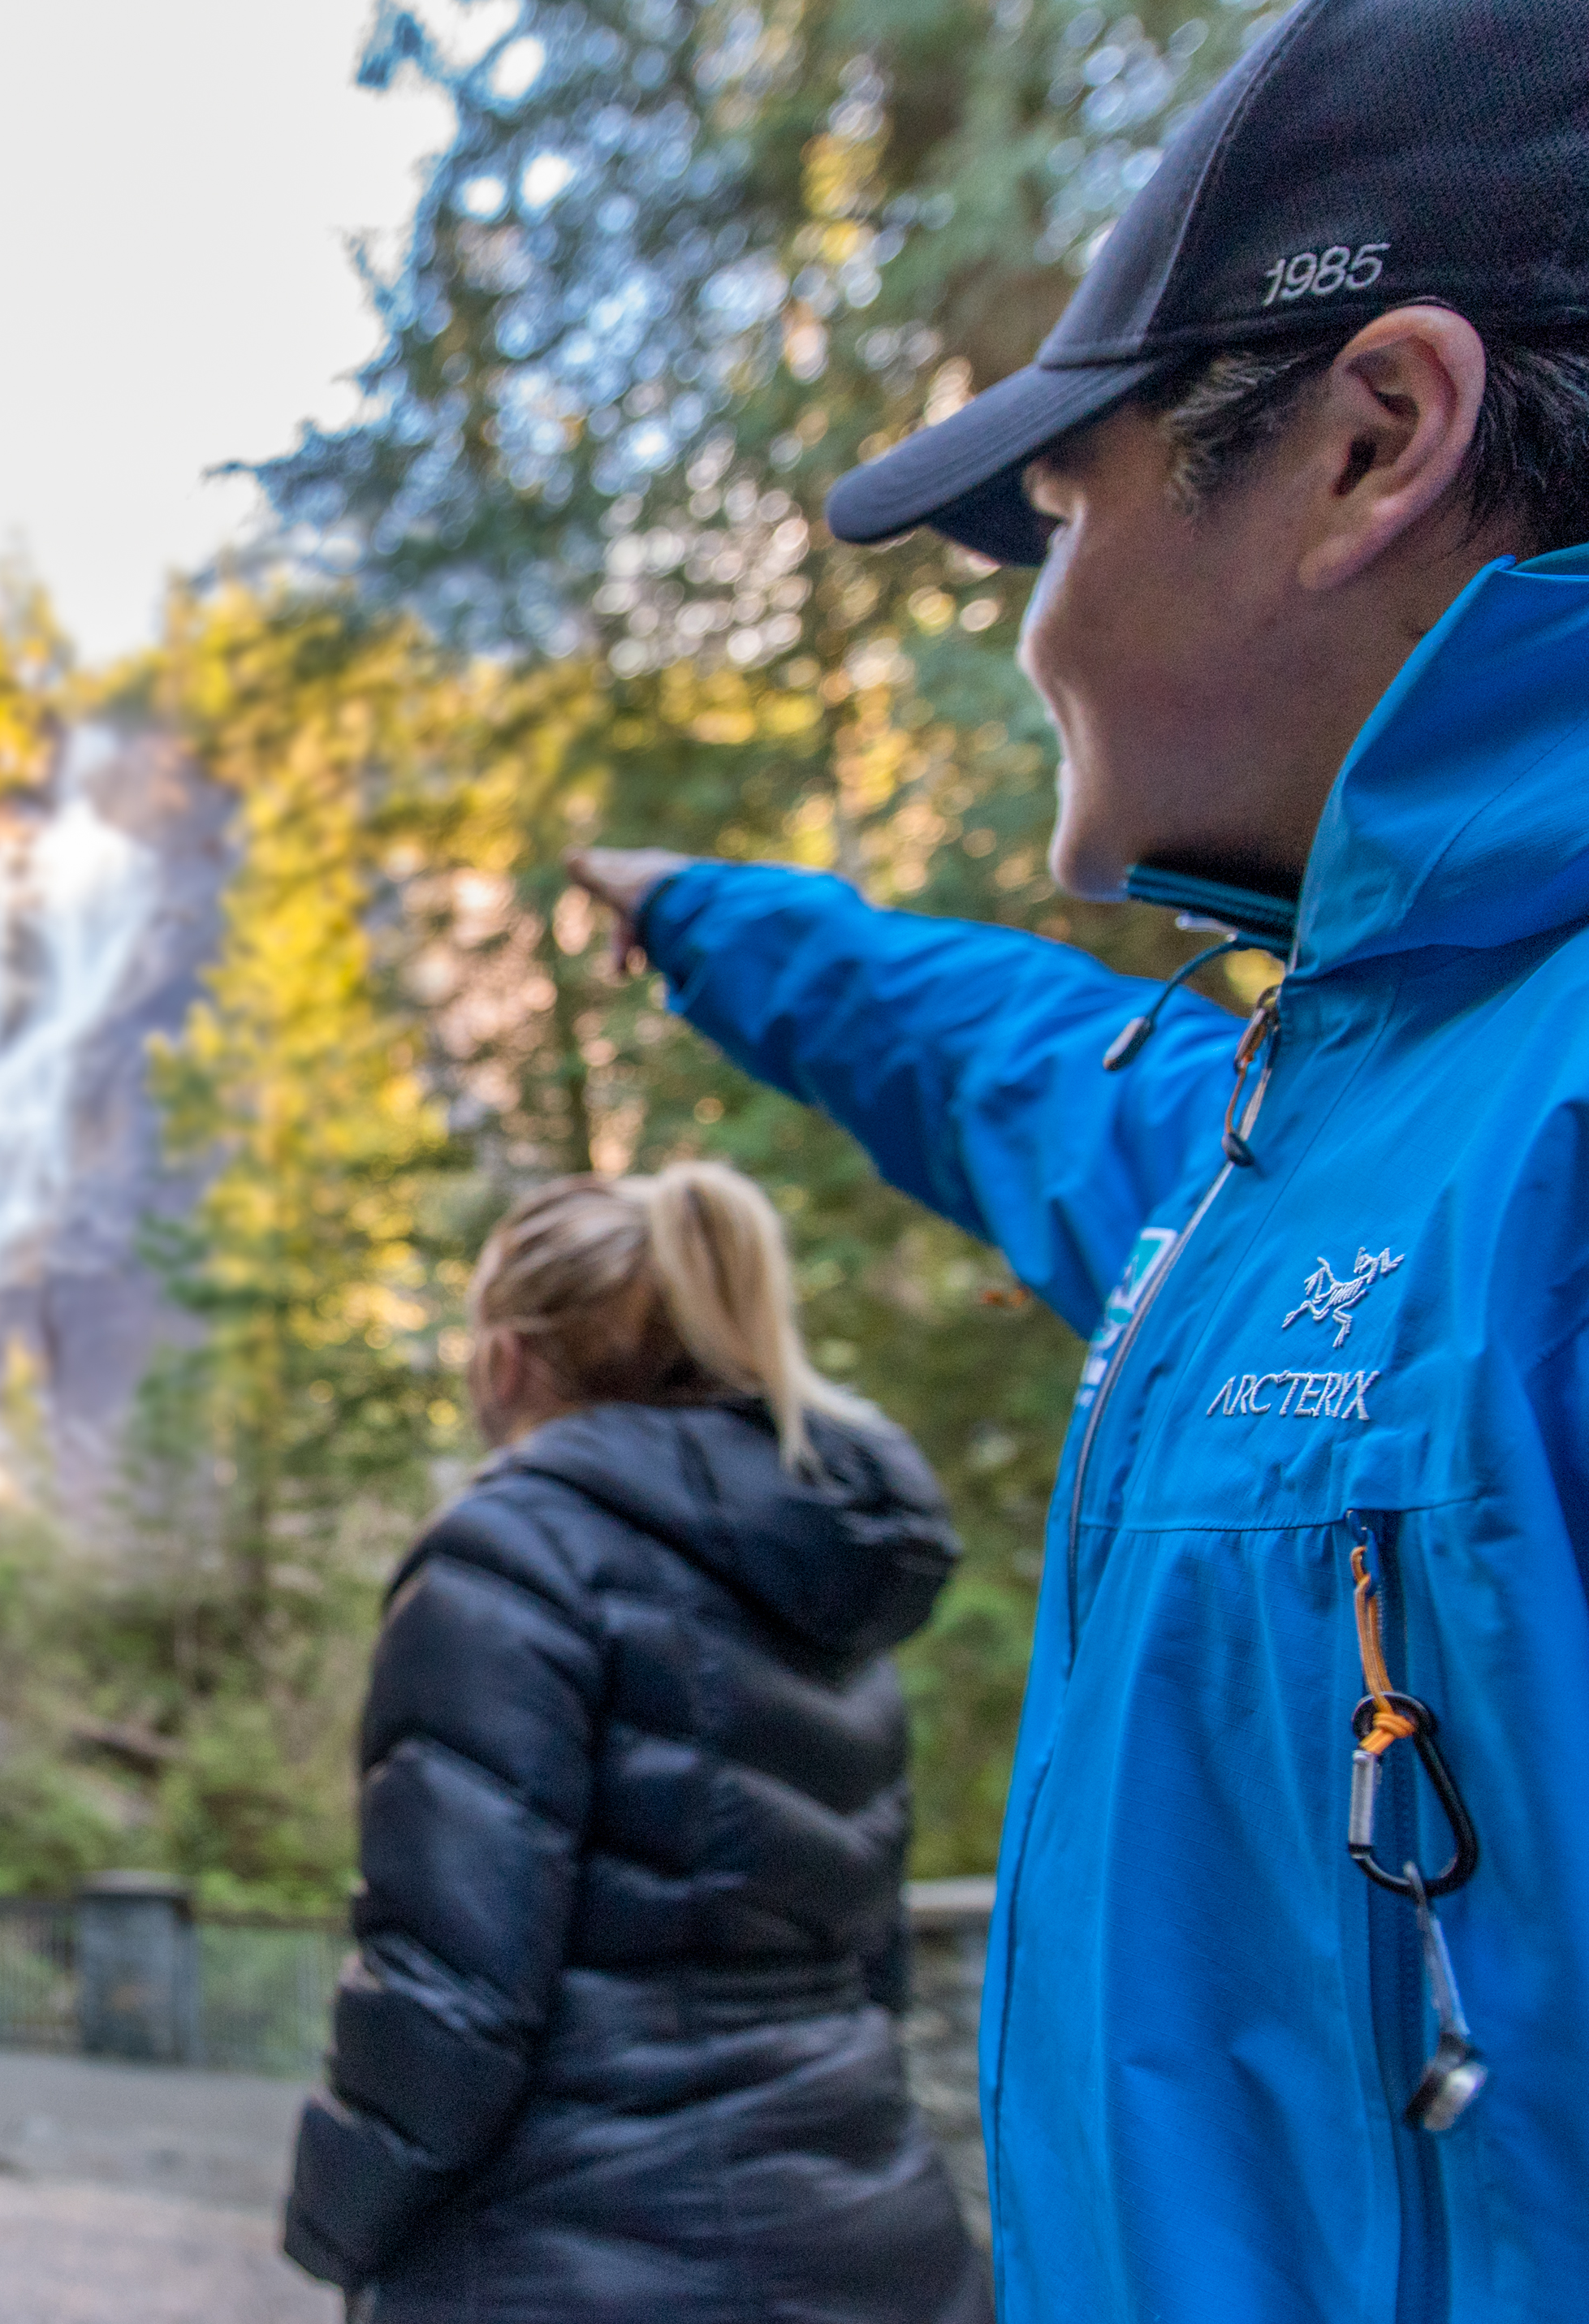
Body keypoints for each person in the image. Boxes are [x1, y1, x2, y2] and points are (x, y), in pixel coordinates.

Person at [560, 3, 1589, 2315]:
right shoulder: (1309, 1133)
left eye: (1054, 514)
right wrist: (711, 921)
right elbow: (1019, 1057)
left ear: (1371, 444)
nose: (1033, 623)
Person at [284, 1163, 984, 2323]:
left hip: (584, 2252)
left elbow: (453, 1983)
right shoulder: (822, 1566)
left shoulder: (509, 1552)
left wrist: (337, 2226)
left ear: (506, 1358)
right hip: (877, 2237)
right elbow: (875, 1956)